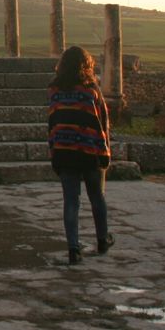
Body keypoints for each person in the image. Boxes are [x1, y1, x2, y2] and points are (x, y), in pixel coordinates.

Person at [48, 45, 114, 264]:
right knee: (97, 197)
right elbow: (103, 123)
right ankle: (103, 239)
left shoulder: (55, 91)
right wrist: (106, 152)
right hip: (90, 151)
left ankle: (73, 249)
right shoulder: (91, 91)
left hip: (65, 153)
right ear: (86, 66)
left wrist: (53, 151)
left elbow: (53, 123)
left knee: (71, 201)